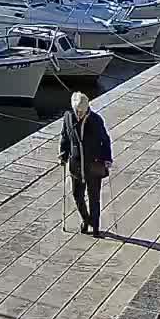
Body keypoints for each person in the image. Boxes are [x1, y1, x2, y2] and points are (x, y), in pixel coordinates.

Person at [59, 90, 113, 236]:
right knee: (77, 195)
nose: (79, 114)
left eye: (82, 112)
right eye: (77, 111)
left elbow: (105, 140)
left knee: (94, 197)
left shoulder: (96, 120)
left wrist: (107, 158)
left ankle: (95, 227)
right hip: (76, 164)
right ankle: (86, 219)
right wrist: (63, 154)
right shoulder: (68, 117)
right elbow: (65, 137)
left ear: (87, 108)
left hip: (93, 164)